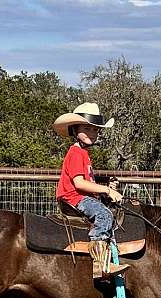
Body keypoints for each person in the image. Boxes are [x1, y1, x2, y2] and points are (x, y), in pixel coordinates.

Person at [53, 102, 129, 280]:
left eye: (95, 130)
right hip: (74, 198)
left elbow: (87, 181)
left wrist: (104, 187)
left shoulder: (84, 154)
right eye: (87, 128)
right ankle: (100, 264)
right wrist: (107, 191)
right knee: (105, 215)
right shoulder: (76, 153)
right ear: (74, 130)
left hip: (80, 197)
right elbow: (79, 183)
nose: (92, 133)